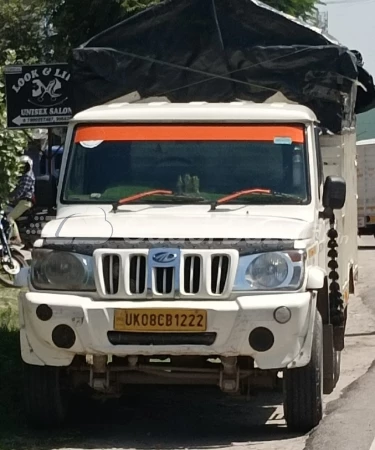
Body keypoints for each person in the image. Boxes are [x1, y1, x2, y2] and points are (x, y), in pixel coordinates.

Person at [7, 155, 35, 245]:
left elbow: (21, 191)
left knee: (10, 217)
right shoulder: (24, 175)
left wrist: (10, 198)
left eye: (24, 165)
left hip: (25, 202)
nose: (22, 167)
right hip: (22, 201)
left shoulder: (27, 176)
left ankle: (16, 238)